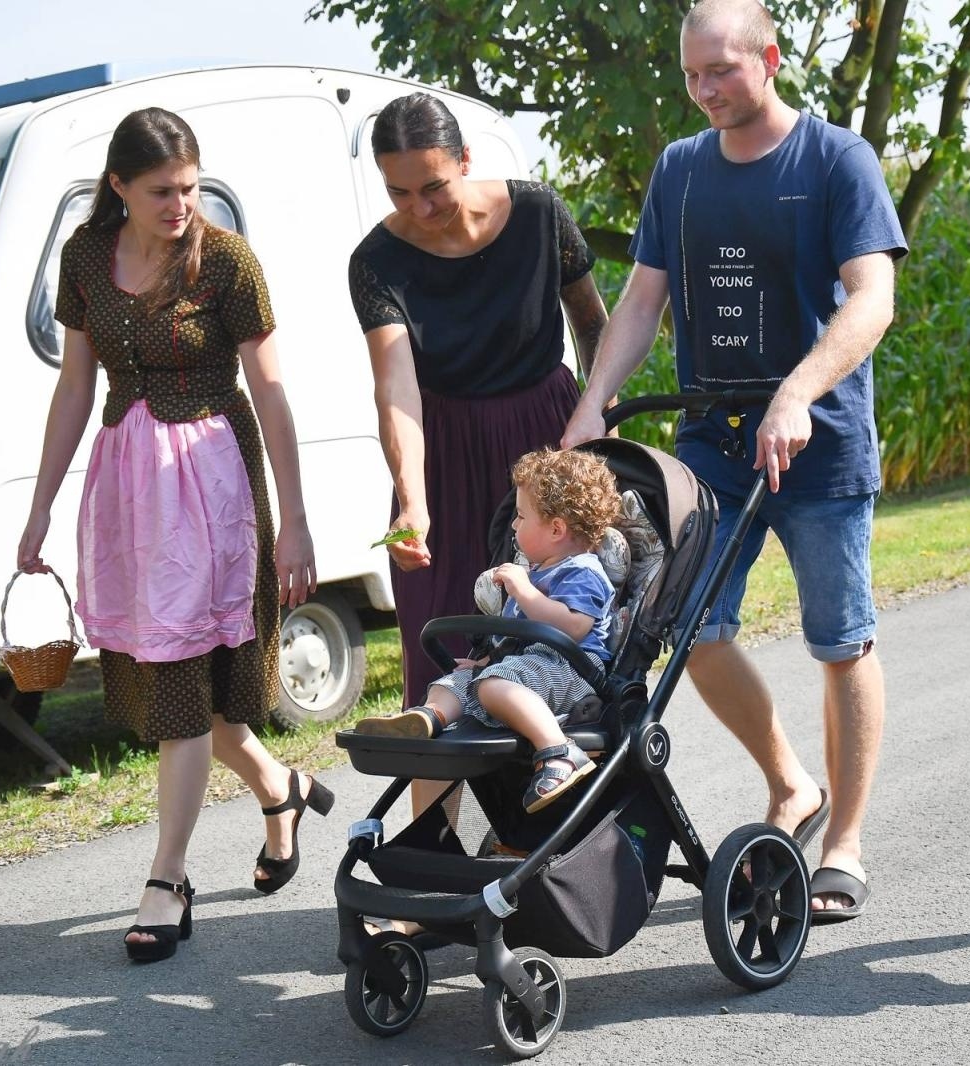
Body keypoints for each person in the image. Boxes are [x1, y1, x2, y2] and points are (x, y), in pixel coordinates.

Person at [561, 0, 907, 922]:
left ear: (771, 58)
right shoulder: (680, 170)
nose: (705, 89)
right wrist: (593, 403)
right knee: (693, 627)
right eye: (691, 74)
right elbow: (641, 302)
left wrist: (797, 393)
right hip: (710, 447)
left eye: (721, 69)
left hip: (818, 446)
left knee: (841, 642)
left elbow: (872, 298)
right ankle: (792, 783)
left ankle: (844, 844)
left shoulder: (835, 160)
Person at [17, 108, 332, 964]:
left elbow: (271, 393)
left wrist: (296, 519)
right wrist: (40, 507)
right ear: (118, 185)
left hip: (214, 487)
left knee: (186, 689)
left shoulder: (225, 260)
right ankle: (282, 789)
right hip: (129, 489)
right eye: (161, 191)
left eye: (190, 187)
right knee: (177, 685)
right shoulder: (85, 258)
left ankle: (168, 877)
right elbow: (74, 389)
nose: (180, 205)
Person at [348, 92, 609, 818]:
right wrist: (411, 499)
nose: (421, 207)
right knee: (441, 646)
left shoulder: (539, 213)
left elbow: (592, 324)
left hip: (546, 440)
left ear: (466, 159)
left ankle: (557, 826)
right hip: (445, 457)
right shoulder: (375, 261)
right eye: (400, 192)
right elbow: (396, 387)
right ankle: (429, 848)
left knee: (555, 634)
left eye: (434, 185)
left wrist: (599, 422)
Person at [356, 448, 621, 813]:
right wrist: (483, 662)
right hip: (527, 667)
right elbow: (515, 639)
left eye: (521, 516)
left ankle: (559, 750)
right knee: (452, 682)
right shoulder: (534, 572)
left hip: (571, 669)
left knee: (493, 685)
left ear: (556, 529)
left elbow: (574, 627)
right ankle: (428, 718)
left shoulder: (582, 571)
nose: (513, 525)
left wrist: (524, 592)